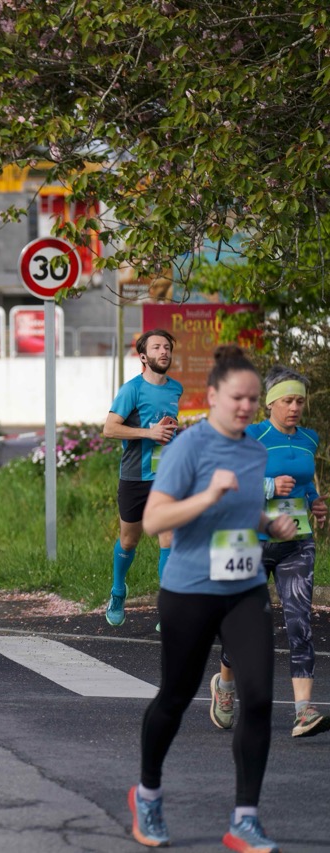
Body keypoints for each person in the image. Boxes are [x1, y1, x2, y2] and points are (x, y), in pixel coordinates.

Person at [128, 345, 296, 852]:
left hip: (244, 588)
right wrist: (207, 496)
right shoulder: (190, 447)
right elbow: (155, 520)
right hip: (190, 590)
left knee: (260, 699)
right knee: (176, 697)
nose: (246, 407)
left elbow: (243, 510)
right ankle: (148, 794)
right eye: (237, 397)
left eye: (253, 399)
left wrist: (269, 523)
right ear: (214, 395)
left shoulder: (254, 450)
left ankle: (245, 819)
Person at [208, 365, 330, 739]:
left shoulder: (309, 438)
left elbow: (306, 484)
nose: (295, 408)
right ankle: (225, 686)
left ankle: (303, 710)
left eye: (299, 401)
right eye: (288, 401)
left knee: (299, 624)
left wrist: (316, 502)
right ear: (271, 403)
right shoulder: (250, 435)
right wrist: (268, 486)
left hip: (297, 541)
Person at [103, 329, 183, 626]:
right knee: (129, 540)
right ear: (143, 357)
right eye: (157, 347)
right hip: (135, 476)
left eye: (167, 347)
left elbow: (167, 427)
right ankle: (118, 590)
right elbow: (110, 428)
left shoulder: (176, 389)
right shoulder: (131, 390)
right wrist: (149, 433)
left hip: (166, 476)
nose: (164, 352)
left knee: (169, 538)